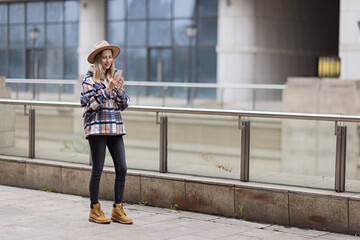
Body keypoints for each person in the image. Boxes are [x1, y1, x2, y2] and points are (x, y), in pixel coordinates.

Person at [80, 40, 132, 224]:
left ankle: (118, 209)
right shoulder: (88, 80)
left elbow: (124, 105)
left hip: (115, 128)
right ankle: (94, 209)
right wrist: (107, 90)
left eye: (110, 57)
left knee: (122, 167)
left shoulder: (113, 78)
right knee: (98, 169)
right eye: (104, 57)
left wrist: (118, 90)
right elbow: (92, 105)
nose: (108, 60)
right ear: (97, 60)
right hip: (97, 129)